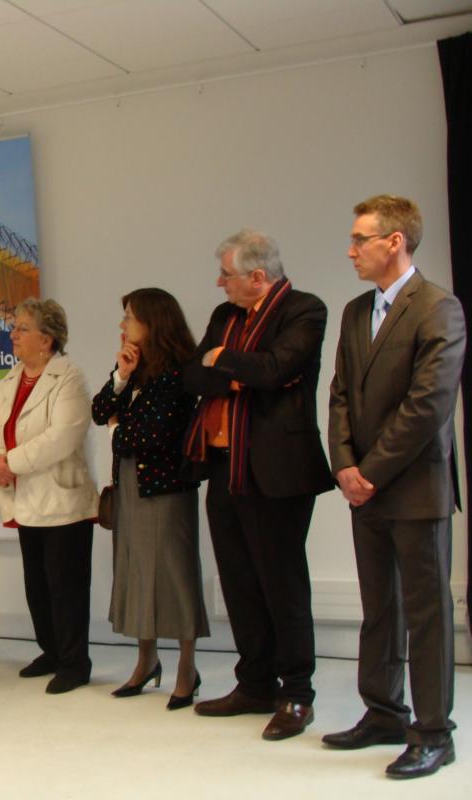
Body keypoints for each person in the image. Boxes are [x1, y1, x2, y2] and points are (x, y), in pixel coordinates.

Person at [325, 195, 465, 779]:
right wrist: (343, 465)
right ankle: (383, 712)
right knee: (379, 607)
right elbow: (338, 395)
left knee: (426, 612)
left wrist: (370, 471)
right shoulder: (357, 311)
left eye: (360, 238)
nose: (350, 249)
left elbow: (427, 405)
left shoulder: (438, 308)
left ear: (395, 242)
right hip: (366, 491)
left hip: (413, 490)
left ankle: (433, 732)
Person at [183, 230, 332, 739]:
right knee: (239, 580)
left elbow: (274, 370)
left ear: (257, 277)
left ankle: (296, 694)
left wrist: (222, 363)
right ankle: (254, 683)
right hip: (225, 465)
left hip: (278, 468)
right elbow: (191, 377)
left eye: (226, 274)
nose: (218, 282)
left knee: (281, 583)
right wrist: (235, 370)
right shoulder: (226, 317)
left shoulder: (305, 311)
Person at [91, 288, 208, 709]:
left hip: (165, 489)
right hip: (130, 484)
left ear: (152, 321)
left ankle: (187, 669)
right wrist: (120, 377)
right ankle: (146, 661)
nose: (122, 325)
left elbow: (153, 434)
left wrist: (118, 432)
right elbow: (101, 410)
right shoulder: (135, 368)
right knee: (137, 572)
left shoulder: (178, 372)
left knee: (174, 577)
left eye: (129, 317)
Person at [0, 298, 98, 694]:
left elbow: (62, 438)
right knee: (38, 585)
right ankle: (51, 651)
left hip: (61, 501)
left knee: (66, 587)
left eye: (22, 328)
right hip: (22, 498)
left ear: (47, 340)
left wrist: (8, 461)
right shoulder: (11, 378)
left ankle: (74, 662)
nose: (13, 334)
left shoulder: (69, 377)